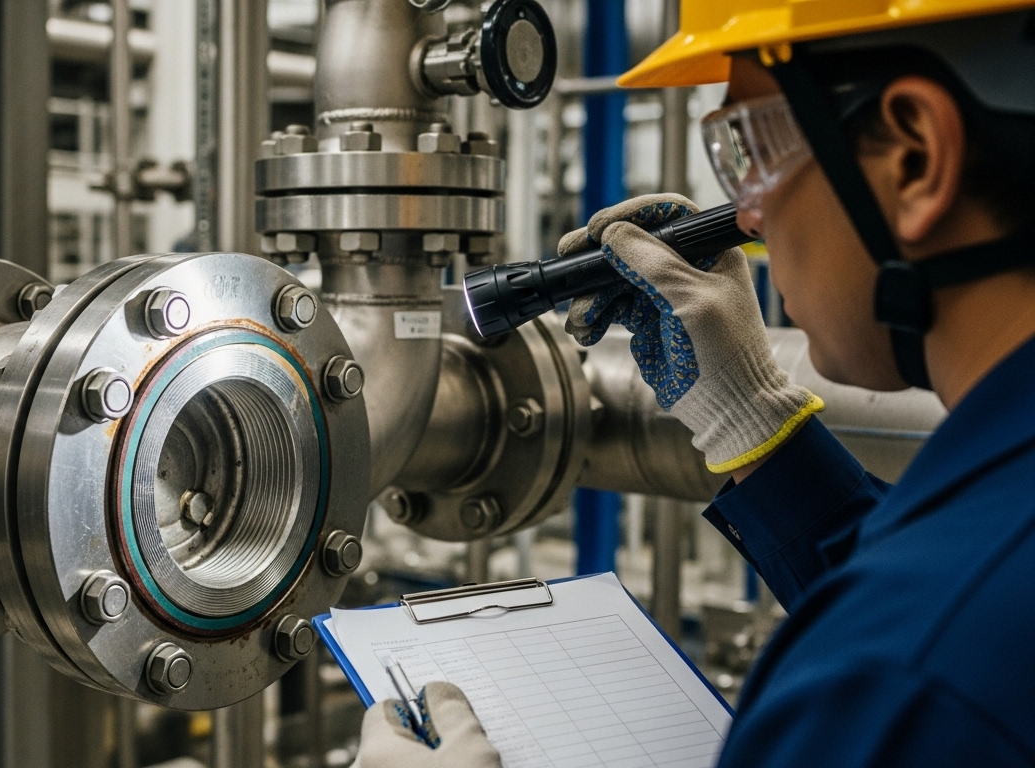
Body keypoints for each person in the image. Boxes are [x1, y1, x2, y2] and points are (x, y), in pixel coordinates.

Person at [353, 0, 1035, 765]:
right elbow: (924, 598)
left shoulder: (905, 683)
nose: (750, 216)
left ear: (915, 158)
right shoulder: (964, 593)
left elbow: (909, 645)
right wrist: (748, 415)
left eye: (751, 147)